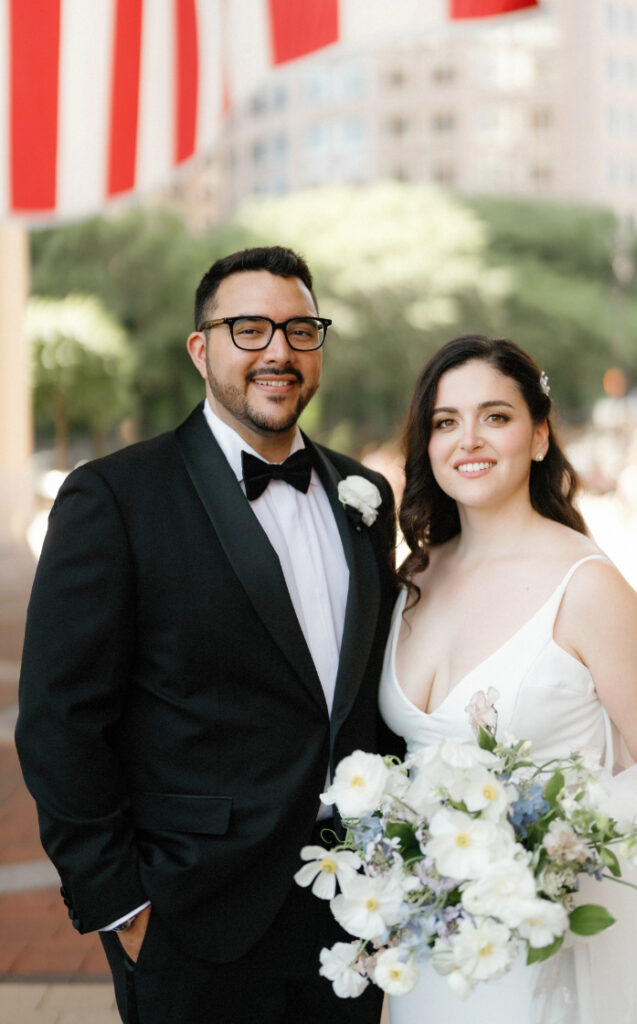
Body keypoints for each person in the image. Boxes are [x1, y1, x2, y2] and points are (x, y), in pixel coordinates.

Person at [16, 246, 400, 1024]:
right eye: (248, 329)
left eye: (300, 330)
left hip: (349, 915)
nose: (278, 352)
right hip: (190, 917)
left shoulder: (365, 496)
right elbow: (60, 722)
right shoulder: (116, 497)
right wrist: (121, 907)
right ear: (201, 349)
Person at [378, 335, 637, 1023]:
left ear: (539, 436)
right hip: (432, 953)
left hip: (545, 946)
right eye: (445, 422)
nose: (467, 439)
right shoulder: (412, 578)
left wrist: (548, 855)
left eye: (495, 416)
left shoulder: (585, 586)